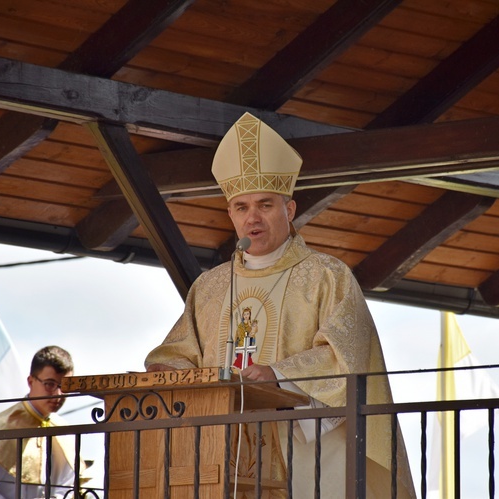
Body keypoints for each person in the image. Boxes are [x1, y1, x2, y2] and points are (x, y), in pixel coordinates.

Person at [144, 112, 416, 497]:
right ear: (230, 216)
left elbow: (347, 357)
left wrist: (279, 374)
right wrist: (164, 370)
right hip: (224, 451)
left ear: (288, 211)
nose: (252, 217)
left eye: (265, 205)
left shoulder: (327, 276)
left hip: (304, 450)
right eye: (241, 207)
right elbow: (179, 354)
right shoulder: (210, 287)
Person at [0, 345, 85, 499]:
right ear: (31, 381)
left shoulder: (67, 434)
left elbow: (70, 489)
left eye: (65, 387)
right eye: (50, 384)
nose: (58, 394)